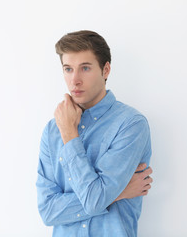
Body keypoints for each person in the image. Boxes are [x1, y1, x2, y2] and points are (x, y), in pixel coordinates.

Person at [36, 30, 153, 237]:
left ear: (105, 70)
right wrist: (117, 194)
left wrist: (70, 135)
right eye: (68, 69)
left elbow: (94, 200)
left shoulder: (130, 124)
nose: (75, 80)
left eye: (85, 68)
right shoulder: (53, 130)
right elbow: (48, 211)